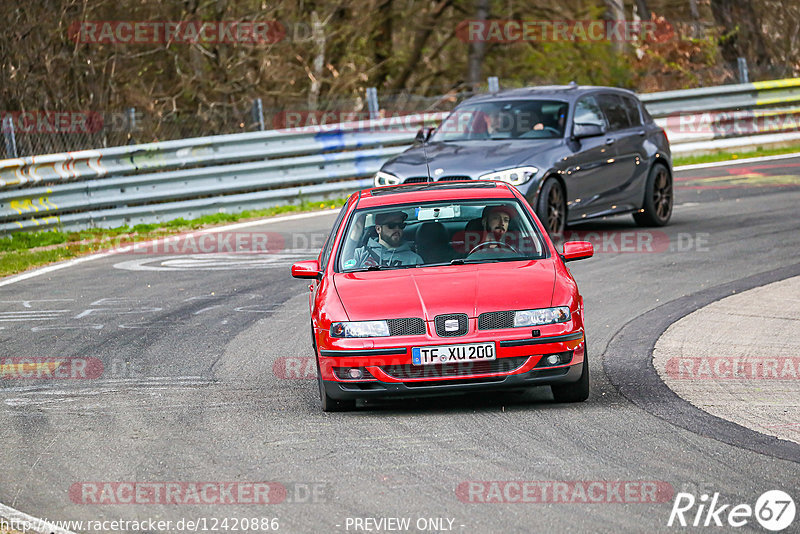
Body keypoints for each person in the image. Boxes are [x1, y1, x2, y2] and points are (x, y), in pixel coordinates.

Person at [351, 211, 423, 268]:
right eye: (391, 225)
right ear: (378, 229)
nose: (397, 229)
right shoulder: (360, 254)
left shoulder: (414, 259)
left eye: (401, 225)